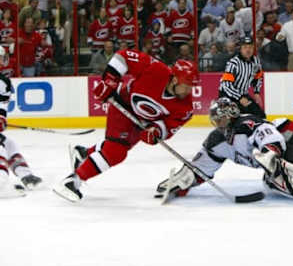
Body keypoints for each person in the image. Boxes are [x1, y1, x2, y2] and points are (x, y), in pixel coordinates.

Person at [53, 50, 199, 202]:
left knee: (118, 146)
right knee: (116, 152)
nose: (189, 91)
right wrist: (109, 82)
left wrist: (156, 132)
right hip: (123, 104)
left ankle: (84, 154)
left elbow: (167, 128)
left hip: (141, 122)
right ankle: (72, 181)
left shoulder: (185, 108)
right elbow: (123, 56)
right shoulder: (156, 69)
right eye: (187, 85)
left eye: (192, 86)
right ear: (175, 80)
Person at [155, 98, 293, 203]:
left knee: (275, 180)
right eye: (216, 121)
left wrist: (270, 152)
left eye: (221, 119)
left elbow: (269, 135)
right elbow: (202, 167)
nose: (219, 124)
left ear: (231, 116)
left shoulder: (245, 124)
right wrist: (183, 181)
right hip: (274, 155)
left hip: (289, 135)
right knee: (271, 180)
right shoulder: (217, 140)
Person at [0, 46, 43, 193]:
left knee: (10, 145)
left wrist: (1, 118)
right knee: (1, 150)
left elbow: (2, 105)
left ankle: (26, 176)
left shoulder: (3, 82)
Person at [219, 36, 265, 118]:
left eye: (250, 47)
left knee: (260, 116)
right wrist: (239, 97)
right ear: (240, 49)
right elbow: (226, 85)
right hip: (228, 96)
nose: (248, 50)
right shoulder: (233, 63)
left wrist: (256, 92)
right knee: (233, 119)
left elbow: (258, 77)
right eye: (245, 47)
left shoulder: (256, 61)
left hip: (243, 95)